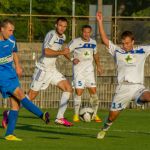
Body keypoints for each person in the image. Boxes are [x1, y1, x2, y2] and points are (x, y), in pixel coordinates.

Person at [2, 17, 73, 128]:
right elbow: (46, 51)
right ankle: (9, 113)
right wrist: (61, 52)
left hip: (52, 69)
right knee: (30, 96)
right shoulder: (51, 34)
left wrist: (73, 59)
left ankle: (60, 117)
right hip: (42, 69)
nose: (62, 28)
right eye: (60, 25)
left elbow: (62, 51)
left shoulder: (63, 37)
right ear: (56, 25)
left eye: (64, 26)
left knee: (68, 87)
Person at [96, 12, 150, 139]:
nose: (124, 46)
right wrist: (100, 22)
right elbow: (104, 40)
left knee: (148, 96)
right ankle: (105, 127)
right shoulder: (117, 51)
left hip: (138, 87)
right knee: (112, 117)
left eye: (127, 43)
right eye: (122, 43)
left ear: (133, 42)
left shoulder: (142, 50)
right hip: (122, 89)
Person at [0, 19, 50, 141]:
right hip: (2, 75)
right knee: (20, 94)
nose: (11, 33)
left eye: (13, 30)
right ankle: (41, 115)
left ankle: (9, 134)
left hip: (11, 73)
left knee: (15, 104)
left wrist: (17, 66)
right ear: (2, 29)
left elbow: (14, 52)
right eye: (9, 30)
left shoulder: (12, 39)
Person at [67, 25, 103, 122]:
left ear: (90, 33)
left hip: (89, 71)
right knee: (79, 92)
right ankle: (75, 115)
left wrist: (98, 66)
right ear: (81, 32)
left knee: (94, 93)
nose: (86, 34)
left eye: (88, 32)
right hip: (78, 71)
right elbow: (65, 51)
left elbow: (95, 54)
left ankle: (95, 115)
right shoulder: (75, 42)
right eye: (84, 32)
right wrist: (72, 59)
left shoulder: (93, 42)